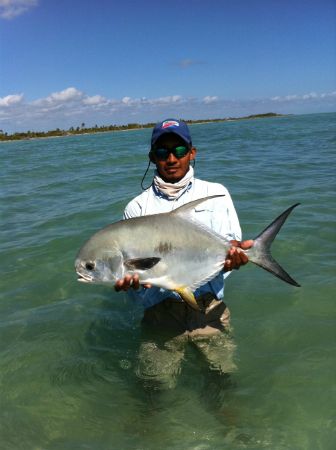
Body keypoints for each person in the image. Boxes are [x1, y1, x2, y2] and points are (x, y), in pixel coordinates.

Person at [115, 118, 252, 389]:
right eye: (163, 152)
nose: (171, 158)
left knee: (223, 384)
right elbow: (137, 282)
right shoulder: (136, 209)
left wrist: (233, 261)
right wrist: (132, 285)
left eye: (179, 150)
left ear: (192, 153)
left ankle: (235, 431)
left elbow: (229, 246)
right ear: (152, 157)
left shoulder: (217, 194)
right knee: (153, 388)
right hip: (160, 314)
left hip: (210, 309)